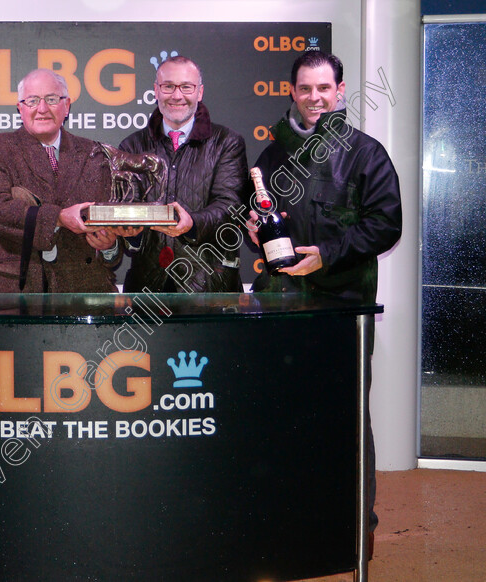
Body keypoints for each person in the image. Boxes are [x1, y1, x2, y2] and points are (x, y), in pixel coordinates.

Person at [247, 51, 403, 552]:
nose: (314, 97)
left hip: (343, 308)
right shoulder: (272, 156)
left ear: (339, 91)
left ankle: (359, 530)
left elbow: (386, 224)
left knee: (348, 421)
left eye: (324, 88)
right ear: (292, 92)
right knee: (284, 416)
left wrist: (327, 255)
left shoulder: (367, 153)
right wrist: (255, 235)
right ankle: (291, 522)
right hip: (282, 307)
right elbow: (270, 231)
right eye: (305, 89)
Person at [0, 68, 120, 293]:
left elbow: (109, 216)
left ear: (67, 105)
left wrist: (110, 245)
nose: (42, 109)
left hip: (86, 290)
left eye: (52, 99)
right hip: (22, 290)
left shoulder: (96, 153)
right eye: (32, 101)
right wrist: (59, 218)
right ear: (20, 108)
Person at [118, 55, 248, 293]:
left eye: (186, 87)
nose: (177, 95)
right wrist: (130, 232)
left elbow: (231, 207)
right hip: (147, 289)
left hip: (210, 288)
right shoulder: (131, 146)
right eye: (168, 86)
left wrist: (193, 224)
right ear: (156, 90)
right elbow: (126, 208)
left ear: (199, 92)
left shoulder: (227, 143)